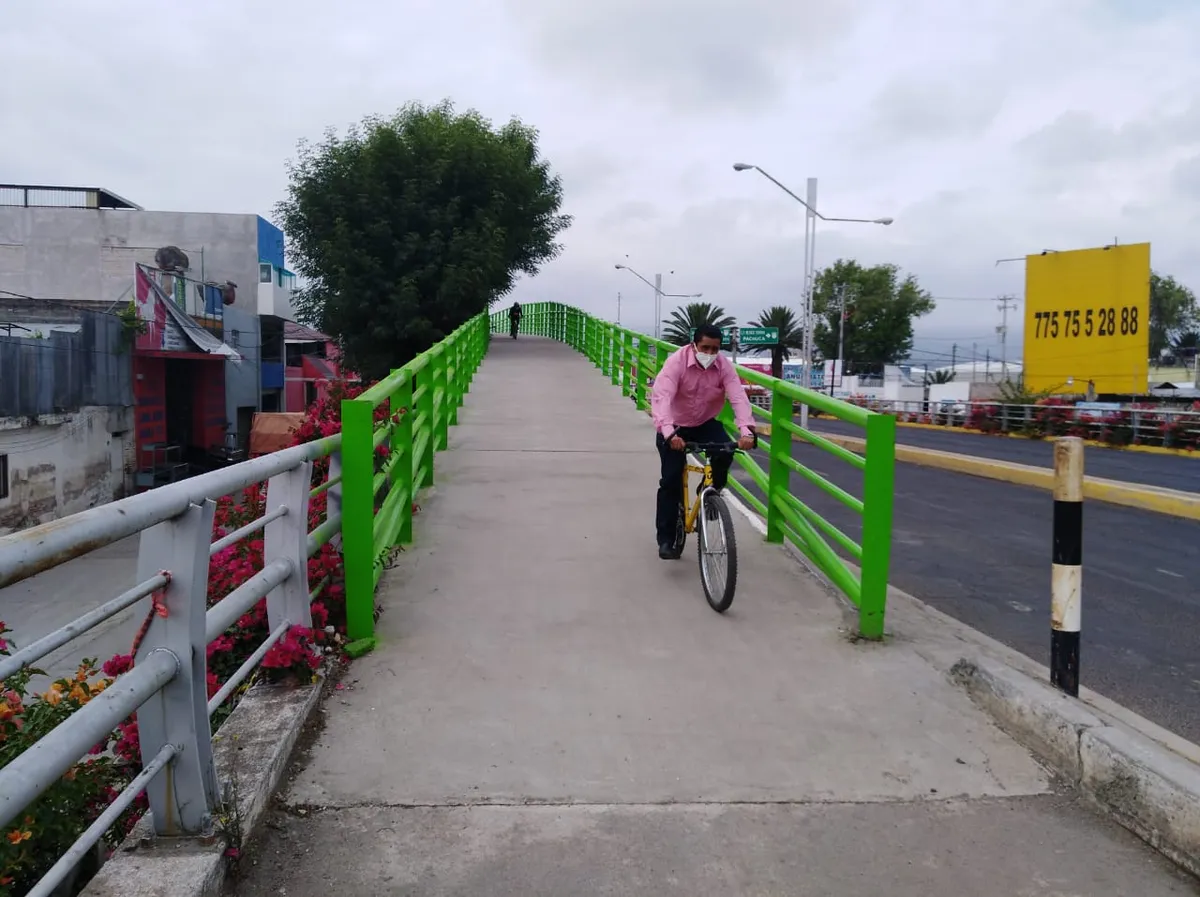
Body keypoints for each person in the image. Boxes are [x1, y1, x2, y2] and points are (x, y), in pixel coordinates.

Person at [650, 323, 756, 559]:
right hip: (675, 425)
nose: (709, 353)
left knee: (725, 452)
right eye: (705, 348)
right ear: (694, 345)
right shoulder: (676, 363)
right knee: (670, 481)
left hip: (704, 422)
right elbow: (662, 397)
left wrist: (747, 431)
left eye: (715, 349)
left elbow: (737, 397)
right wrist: (669, 433)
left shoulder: (723, 366)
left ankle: (709, 493)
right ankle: (666, 539)